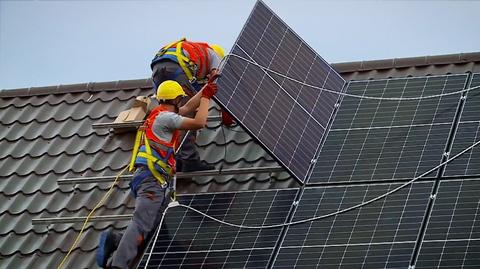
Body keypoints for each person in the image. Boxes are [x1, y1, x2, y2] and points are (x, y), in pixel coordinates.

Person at [96, 77, 219, 269]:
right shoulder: (166, 118)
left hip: (154, 180)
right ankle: (118, 265)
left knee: (155, 227)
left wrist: (205, 91)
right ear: (177, 99)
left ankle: (116, 240)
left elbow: (186, 110)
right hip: (152, 181)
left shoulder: (159, 114)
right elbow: (199, 122)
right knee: (142, 223)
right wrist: (207, 99)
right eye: (181, 99)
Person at [150, 38, 226, 172]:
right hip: (177, 69)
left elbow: (189, 102)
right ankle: (189, 160)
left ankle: (174, 158)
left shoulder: (194, 54)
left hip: (158, 69)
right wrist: (225, 111)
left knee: (169, 113)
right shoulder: (216, 56)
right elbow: (215, 78)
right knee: (187, 118)